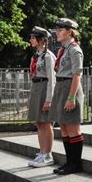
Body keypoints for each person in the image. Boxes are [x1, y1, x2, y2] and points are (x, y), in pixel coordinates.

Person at [49, 18, 85, 175]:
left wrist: (71, 98)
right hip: (61, 86)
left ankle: (75, 164)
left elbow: (77, 75)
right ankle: (69, 162)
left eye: (60, 30)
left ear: (69, 31)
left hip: (70, 87)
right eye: (57, 30)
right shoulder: (63, 50)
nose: (57, 33)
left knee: (72, 127)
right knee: (63, 126)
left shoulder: (74, 49)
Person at [27, 26, 56, 168]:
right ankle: (42, 151)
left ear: (40, 40)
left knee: (46, 122)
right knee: (39, 123)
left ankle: (48, 154)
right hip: (37, 87)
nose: (30, 40)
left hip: (44, 88)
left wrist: (49, 99)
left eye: (33, 37)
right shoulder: (36, 56)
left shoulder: (48, 56)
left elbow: (52, 79)